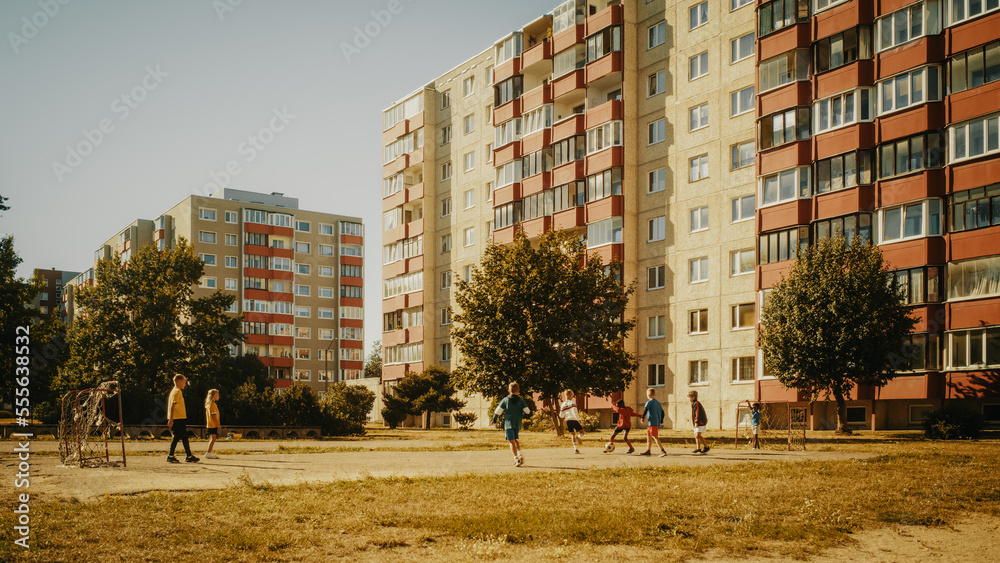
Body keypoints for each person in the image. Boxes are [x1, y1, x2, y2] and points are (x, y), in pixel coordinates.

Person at [493, 382, 531, 467]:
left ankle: (516, 459)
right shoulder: (521, 400)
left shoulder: (505, 400)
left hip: (508, 423)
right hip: (517, 423)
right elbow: (527, 411)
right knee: (515, 439)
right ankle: (519, 453)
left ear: (509, 391)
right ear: (518, 391)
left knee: (511, 441)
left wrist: (494, 419)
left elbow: (498, 411)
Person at [166, 374, 199, 463]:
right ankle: (187, 456)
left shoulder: (174, 391)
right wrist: (171, 419)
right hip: (178, 418)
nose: (185, 384)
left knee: (178, 437)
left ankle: (173, 455)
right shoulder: (177, 391)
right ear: (179, 381)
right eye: (184, 382)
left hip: (177, 418)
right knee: (183, 436)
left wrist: (171, 418)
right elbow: (173, 405)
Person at [640, 388, 668, 457]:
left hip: (652, 422)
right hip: (654, 423)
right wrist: (661, 421)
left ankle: (663, 450)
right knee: (649, 436)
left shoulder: (649, 402)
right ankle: (648, 450)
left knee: (655, 436)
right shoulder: (658, 403)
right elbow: (663, 413)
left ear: (648, 395)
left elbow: (645, 410)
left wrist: (642, 417)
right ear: (654, 394)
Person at [559, 389, 584, 454]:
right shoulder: (573, 403)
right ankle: (578, 437)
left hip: (568, 420)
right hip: (574, 419)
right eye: (572, 395)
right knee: (582, 432)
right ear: (570, 395)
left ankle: (575, 449)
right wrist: (578, 419)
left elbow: (561, 415)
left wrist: (565, 415)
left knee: (572, 434)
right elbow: (574, 412)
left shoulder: (563, 404)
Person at [204, 389, 221, 459]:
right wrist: (217, 424)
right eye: (217, 395)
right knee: (213, 438)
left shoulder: (209, 404)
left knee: (212, 438)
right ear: (213, 396)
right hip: (213, 424)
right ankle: (209, 452)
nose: (218, 396)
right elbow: (213, 415)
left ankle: (209, 452)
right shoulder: (213, 405)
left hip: (210, 424)